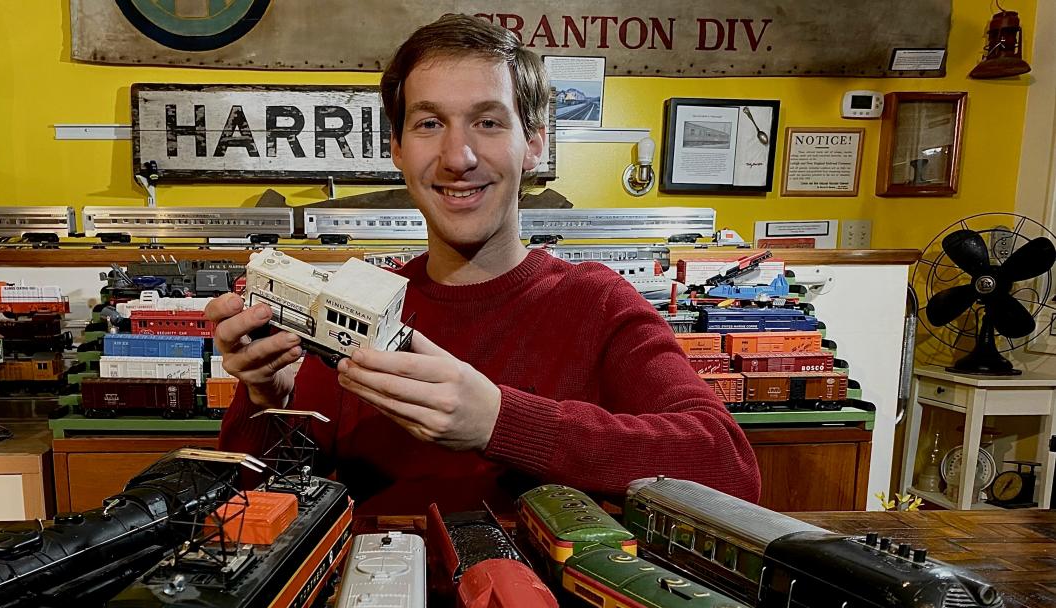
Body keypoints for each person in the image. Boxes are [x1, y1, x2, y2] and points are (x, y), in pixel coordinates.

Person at [207, 14, 760, 514]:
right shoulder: (354, 302)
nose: (458, 156)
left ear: (535, 144)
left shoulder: (597, 303)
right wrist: (269, 402)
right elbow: (252, 505)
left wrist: (501, 422)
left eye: (488, 123)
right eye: (428, 124)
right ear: (397, 148)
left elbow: (730, 467)